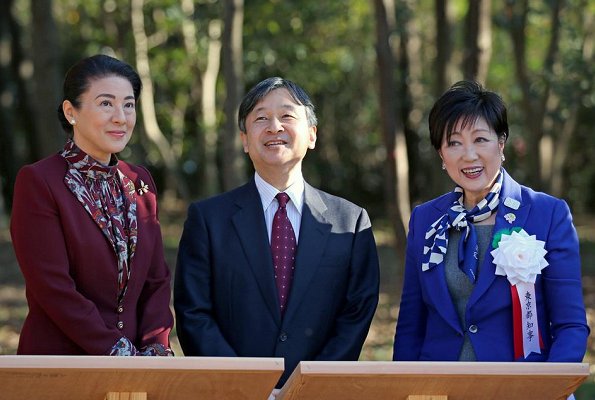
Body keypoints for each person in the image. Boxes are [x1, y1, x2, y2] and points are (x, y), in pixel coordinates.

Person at [174, 77, 380, 388]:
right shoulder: (207, 220)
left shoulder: (350, 222)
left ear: (312, 134)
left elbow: (356, 315)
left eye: (287, 115)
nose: (274, 127)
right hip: (232, 394)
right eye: (260, 118)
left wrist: (306, 387)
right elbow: (194, 314)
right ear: (245, 140)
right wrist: (245, 387)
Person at [393, 80, 589, 363]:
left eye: (480, 139)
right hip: (438, 386)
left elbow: (571, 326)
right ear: (441, 155)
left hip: (520, 388)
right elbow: (411, 326)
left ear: (501, 142)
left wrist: (546, 388)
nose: (469, 154)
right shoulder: (425, 220)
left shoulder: (547, 214)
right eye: (454, 143)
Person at [10, 54, 174, 356]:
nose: (120, 117)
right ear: (71, 111)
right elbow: (53, 287)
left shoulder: (139, 181)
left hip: (139, 371)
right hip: (62, 367)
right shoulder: (39, 181)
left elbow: (156, 280)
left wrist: (154, 347)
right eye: (106, 103)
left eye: (128, 104)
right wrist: (117, 352)